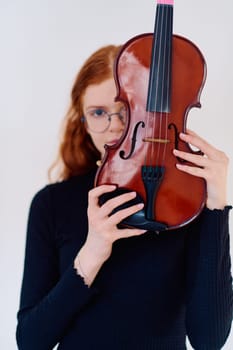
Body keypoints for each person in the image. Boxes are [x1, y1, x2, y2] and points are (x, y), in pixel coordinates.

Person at [16, 45, 233, 350]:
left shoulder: (186, 204)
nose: (115, 127)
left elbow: (209, 340)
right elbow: (30, 341)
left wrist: (216, 204)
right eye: (98, 113)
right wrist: (93, 252)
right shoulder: (51, 204)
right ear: (82, 120)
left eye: (127, 110)